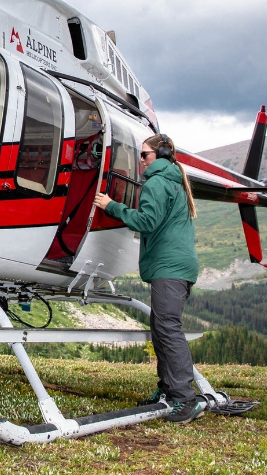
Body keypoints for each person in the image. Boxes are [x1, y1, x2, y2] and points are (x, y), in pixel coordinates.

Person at [92, 133, 204, 424]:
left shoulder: (157, 182)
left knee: (168, 329)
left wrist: (110, 206)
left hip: (171, 268)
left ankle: (183, 398)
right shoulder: (174, 180)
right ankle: (168, 390)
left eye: (144, 155)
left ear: (160, 155)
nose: (140, 161)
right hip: (177, 266)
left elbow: (147, 221)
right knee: (161, 328)